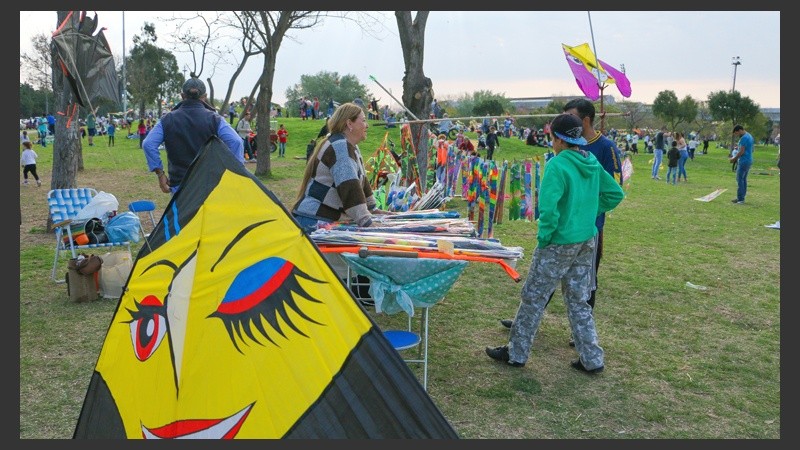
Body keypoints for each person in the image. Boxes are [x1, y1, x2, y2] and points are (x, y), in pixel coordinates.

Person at [484, 113, 624, 373]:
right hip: (586, 239)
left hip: (558, 242)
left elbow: (548, 211)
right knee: (578, 300)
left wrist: (545, 238)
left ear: (557, 139)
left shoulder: (557, 166)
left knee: (534, 297)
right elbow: (615, 193)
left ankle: (517, 352)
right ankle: (592, 359)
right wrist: (589, 213)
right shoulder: (590, 160)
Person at [291, 102, 393, 233]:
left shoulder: (350, 145)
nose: (366, 125)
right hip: (314, 220)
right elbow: (349, 187)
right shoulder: (340, 146)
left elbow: (361, 180)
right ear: (349, 124)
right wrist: (366, 221)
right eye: (363, 120)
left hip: (320, 218)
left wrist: (372, 209)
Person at [143, 77, 244, 195]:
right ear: (205, 96)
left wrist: (160, 174)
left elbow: (148, 144)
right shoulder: (215, 119)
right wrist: (235, 175)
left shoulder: (167, 120)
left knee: (182, 214)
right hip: (210, 185)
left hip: (180, 186)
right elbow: (236, 142)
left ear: (182, 95)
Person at [730, 124, 754, 204]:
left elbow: (741, 151)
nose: (737, 135)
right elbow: (752, 149)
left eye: (736, 133)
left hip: (744, 160)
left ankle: (741, 199)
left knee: (739, 179)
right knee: (743, 179)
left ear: (740, 130)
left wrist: (734, 159)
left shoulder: (744, 138)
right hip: (749, 159)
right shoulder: (749, 136)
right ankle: (741, 197)